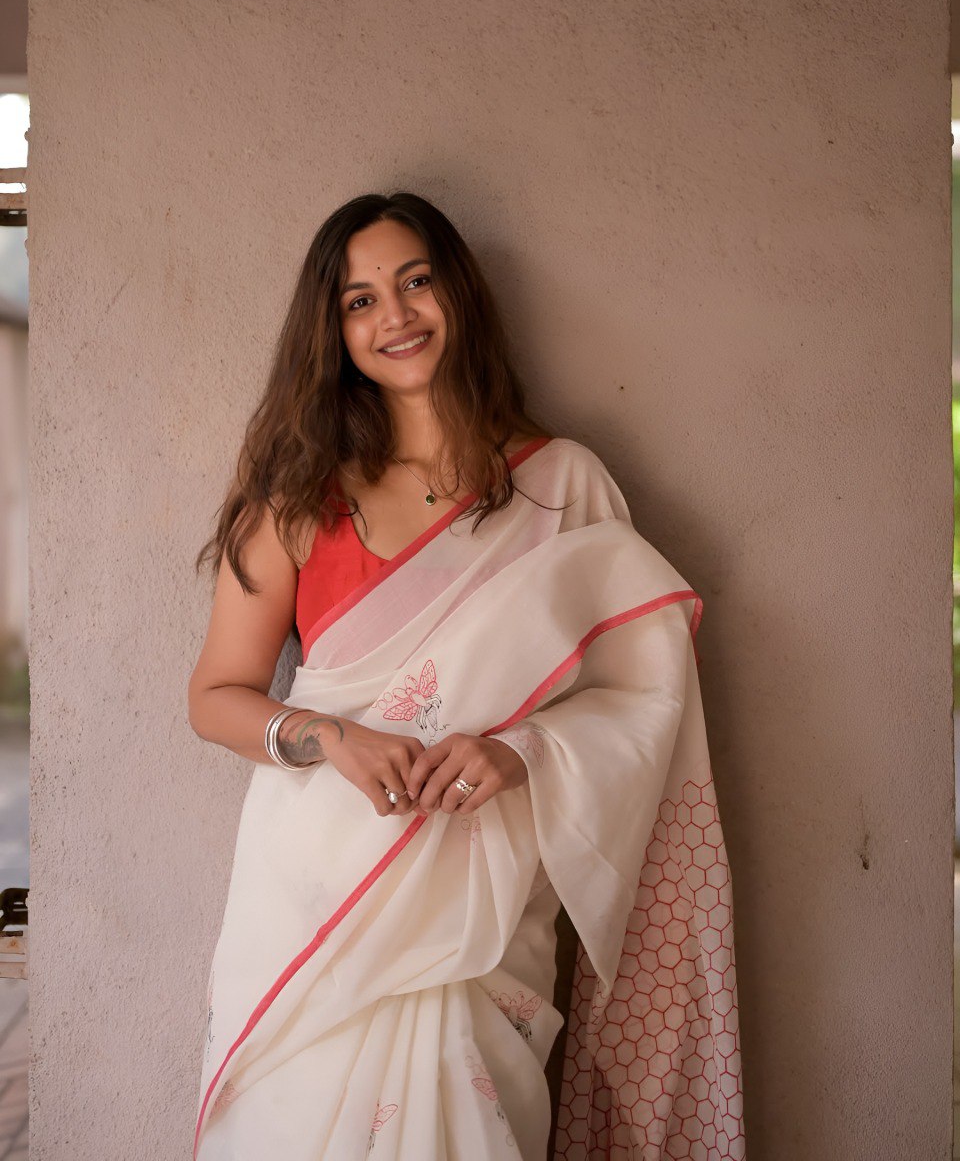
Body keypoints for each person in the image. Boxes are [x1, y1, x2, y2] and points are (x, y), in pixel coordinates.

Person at [188, 192, 745, 1161]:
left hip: (482, 902)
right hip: (318, 894)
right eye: (360, 300)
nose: (395, 315)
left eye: (415, 281)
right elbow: (216, 694)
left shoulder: (562, 484)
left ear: (459, 290)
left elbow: (646, 698)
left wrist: (521, 749)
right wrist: (331, 736)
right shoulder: (295, 499)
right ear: (334, 330)